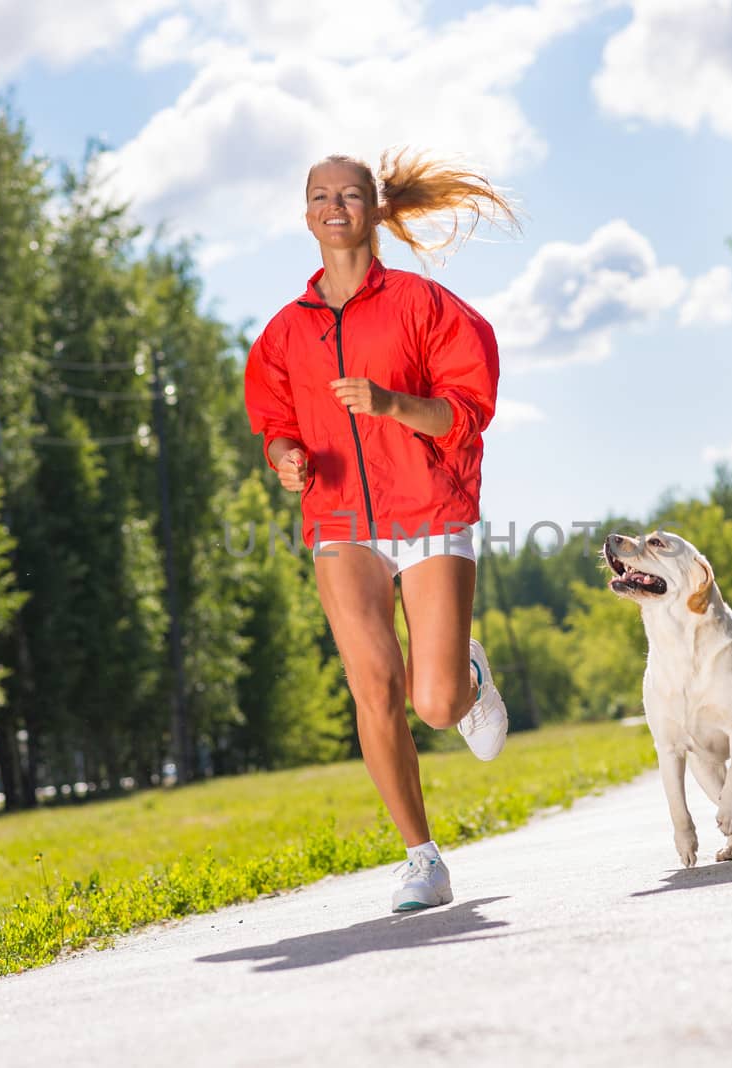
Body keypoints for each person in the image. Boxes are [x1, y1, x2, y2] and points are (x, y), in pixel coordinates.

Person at [243, 149, 516, 912]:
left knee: (434, 704)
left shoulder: (425, 306)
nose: (335, 207)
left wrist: (392, 404)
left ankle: (468, 676)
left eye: (350, 194)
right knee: (374, 686)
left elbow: (466, 412)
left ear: (374, 209)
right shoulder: (284, 332)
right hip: (340, 521)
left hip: (428, 507)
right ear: (306, 215)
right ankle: (422, 859)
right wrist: (285, 456)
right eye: (320, 196)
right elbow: (274, 421)